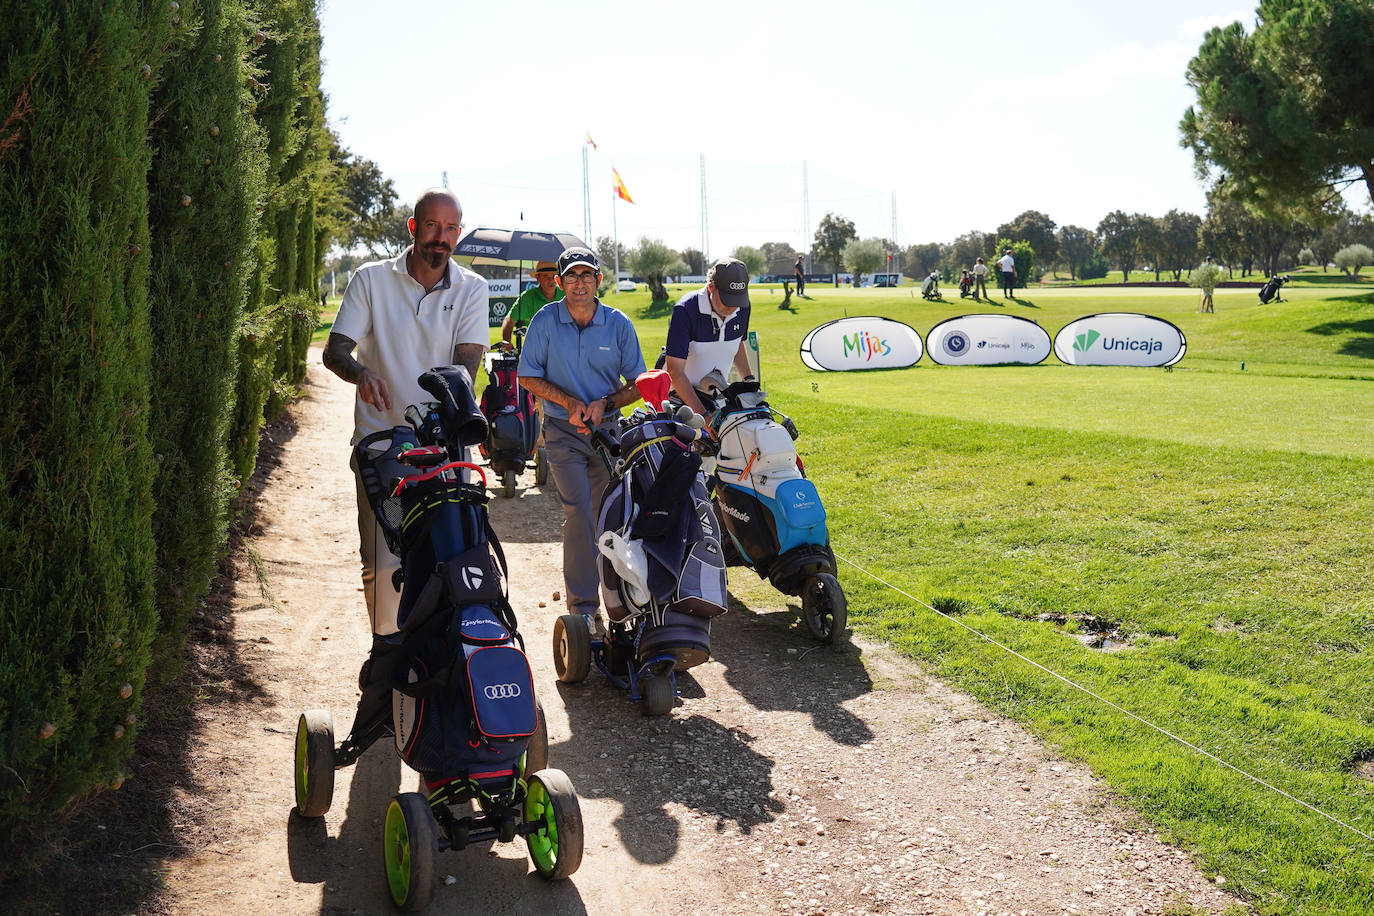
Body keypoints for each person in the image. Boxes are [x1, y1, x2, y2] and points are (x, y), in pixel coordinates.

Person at [323, 188, 490, 638]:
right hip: (382, 443)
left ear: (458, 233)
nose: (441, 237)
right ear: (414, 227)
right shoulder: (371, 279)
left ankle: (452, 646)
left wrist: (450, 403)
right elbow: (336, 350)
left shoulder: (472, 288)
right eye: (432, 226)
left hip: (444, 444)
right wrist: (361, 374)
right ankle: (388, 651)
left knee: (459, 548)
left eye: (451, 228)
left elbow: (467, 361)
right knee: (384, 559)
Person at [517, 247, 645, 630]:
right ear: (558, 282)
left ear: (598, 281)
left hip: (607, 434)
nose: (579, 283)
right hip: (562, 432)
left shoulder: (618, 323)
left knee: (611, 516)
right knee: (579, 514)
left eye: (587, 275)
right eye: (571, 276)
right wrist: (569, 401)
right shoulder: (544, 321)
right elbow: (527, 376)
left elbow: (638, 382)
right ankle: (584, 609)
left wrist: (604, 403)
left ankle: (622, 600)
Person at [663, 257, 754, 436]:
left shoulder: (742, 307)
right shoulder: (685, 309)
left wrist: (749, 382)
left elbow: (737, 343)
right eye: (727, 300)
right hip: (680, 397)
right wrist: (703, 415)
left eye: (738, 300)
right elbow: (675, 371)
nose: (733, 307)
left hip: (716, 396)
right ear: (711, 287)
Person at [500, 260, 562, 350]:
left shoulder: (566, 294)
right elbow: (509, 320)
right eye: (546, 276)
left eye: (553, 276)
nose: (551, 280)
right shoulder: (527, 297)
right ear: (538, 278)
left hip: (563, 347)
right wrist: (507, 342)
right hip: (537, 349)